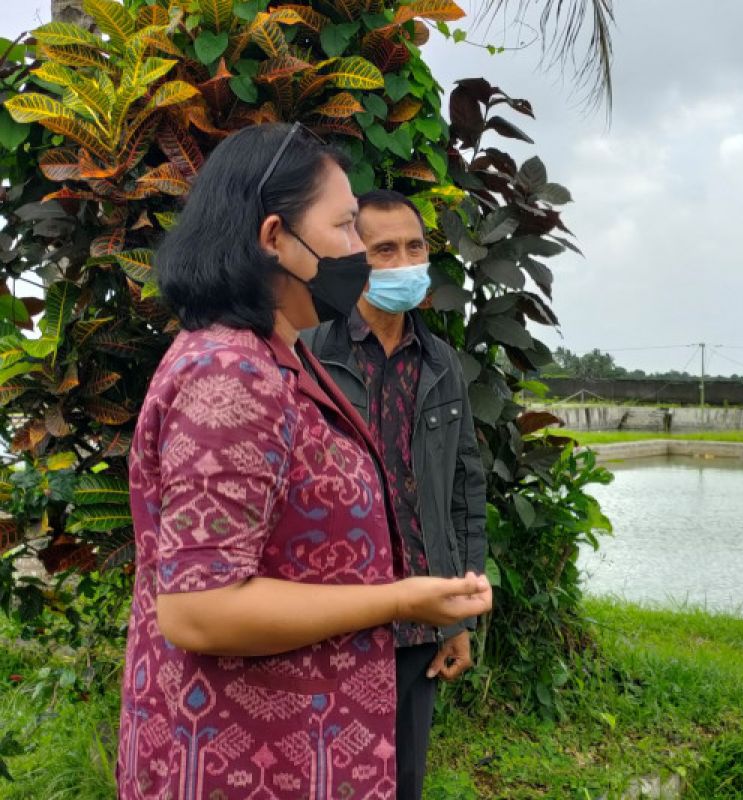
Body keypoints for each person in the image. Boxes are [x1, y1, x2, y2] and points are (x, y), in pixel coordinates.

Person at [117, 123, 491, 799]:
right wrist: (401, 599)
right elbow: (199, 610)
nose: (362, 253)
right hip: (242, 760)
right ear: (273, 239)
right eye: (347, 228)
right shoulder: (229, 374)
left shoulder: (282, 355)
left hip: (302, 744)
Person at [300, 189, 486, 799]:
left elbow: (464, 489)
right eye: (385, 250)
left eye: (415, 246)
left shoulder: (442, 364)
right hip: (328, 620)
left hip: (416, 624)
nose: (405, 261)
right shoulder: (308, 353)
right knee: (318, 778)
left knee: (402, 782)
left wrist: (460, 611)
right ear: (353, 259)